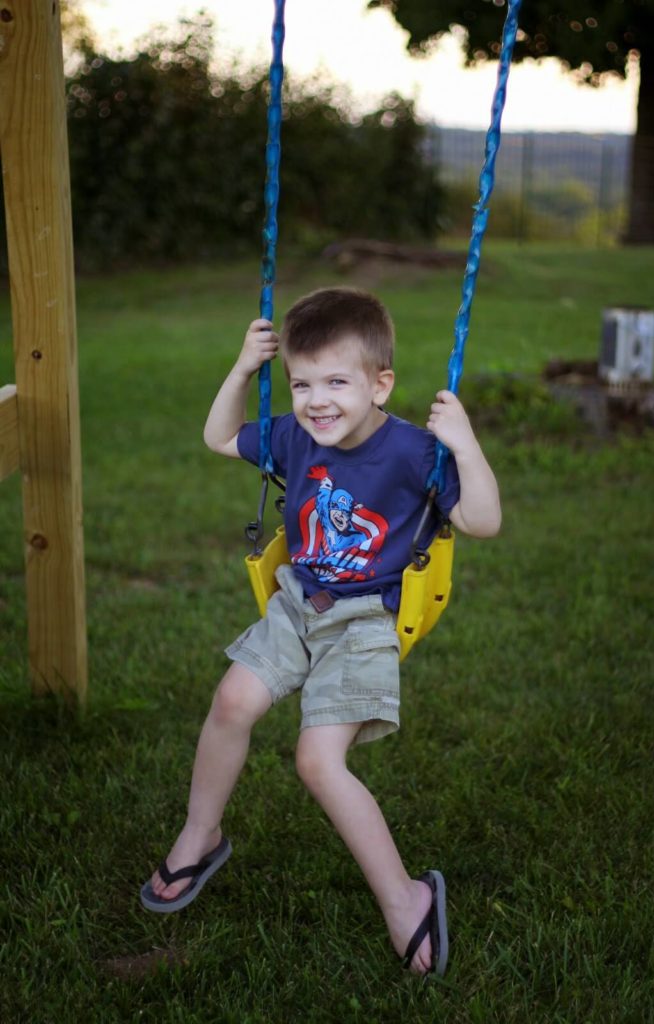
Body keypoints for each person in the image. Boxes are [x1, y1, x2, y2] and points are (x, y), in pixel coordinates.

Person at [140, 287, 501, 977]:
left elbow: (483, 521)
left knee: (317, 760)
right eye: (303, 383)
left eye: (338, 382)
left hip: (367, 620)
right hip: (298, 601)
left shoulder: (414, 452)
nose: (317, 401)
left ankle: (405, 895)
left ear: (380, 383)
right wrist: (245, 369)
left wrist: (466, 445)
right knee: (231, 703)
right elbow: (219, 437)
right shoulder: (294, 435)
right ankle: (201, 833)